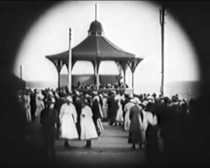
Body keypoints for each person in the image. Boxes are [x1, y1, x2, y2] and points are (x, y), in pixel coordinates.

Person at [40, 95, 56, 162]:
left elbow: (56, 120)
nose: (49, 105)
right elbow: (41, 120)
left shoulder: (54, 111)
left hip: (50, 129)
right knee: (47, 144)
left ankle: (52, 157)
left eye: (50, 103)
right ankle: (47, 157)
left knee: (50, 144)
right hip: (47, 128)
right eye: (48, 103)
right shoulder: (43, 111)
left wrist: (47, 123)